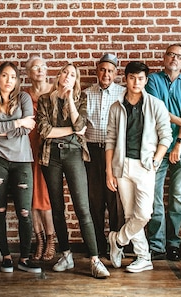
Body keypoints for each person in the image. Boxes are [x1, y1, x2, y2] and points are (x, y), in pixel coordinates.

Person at [37, 63, 111, 279]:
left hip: (74, 154)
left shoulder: (81, 99)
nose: (68, 76)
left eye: (72, 75)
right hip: (50, 157)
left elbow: (81, 125)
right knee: (57, 209)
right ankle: (66, 254)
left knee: (83, 208)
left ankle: (95, 260)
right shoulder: (44, 99)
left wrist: (69, 98)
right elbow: (44, 131)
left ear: (76, 79)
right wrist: (72, 130)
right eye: (65, 73)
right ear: (58, 75)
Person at [106, 61, 172, 273]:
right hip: (122, 166)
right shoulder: (117, 106)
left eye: (141, 78)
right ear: (125, 79)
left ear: (146, 80)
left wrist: (155, 160)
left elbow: (166, 136)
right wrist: (109, 171)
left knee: (143, 214)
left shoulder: (156, 105)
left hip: (145, 166)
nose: (136, 82)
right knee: (129, 214)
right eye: (132, 78)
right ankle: (144, 257)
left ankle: (117, 239)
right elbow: (110, 140)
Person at [0, 61, 41, 274]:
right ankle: (6, 257)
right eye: (5, 76)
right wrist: (17, 123)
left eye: (13, 77)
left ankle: (24, 258)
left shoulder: (24, 98)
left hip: (22, 159)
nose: (9, 80)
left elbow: (29, 128)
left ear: (17, 80)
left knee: (24, 212)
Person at [144, 44, 181, 262]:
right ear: (164, 58)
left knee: (177, 197)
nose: (174, 59)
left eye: (179, 57)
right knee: (154, 197)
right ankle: (156, 245)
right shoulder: (153, 80)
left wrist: (180, 140)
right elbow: (157, 109)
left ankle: (173, 244)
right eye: (171, 54)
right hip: (157, 147)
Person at [84, 53, 125, 259]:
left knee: (116, 201)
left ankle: (116, 244)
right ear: (97, 71)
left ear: (116, 73)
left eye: (110, 70)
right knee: (94, 200)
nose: (106, 74)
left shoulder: (124, 93)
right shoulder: (86, 93)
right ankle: (98, 245)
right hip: (92, 153)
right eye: (102, 69)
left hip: (115, 152)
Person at [24, 56, 55, 261]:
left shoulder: (55, 90)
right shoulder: (24, 94)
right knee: (30, 196)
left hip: (49, 147)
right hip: (27, 147)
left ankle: (51, 239)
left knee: (44, 195)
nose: (40, 70)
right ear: (29, 73)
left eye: (43, 66)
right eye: (35, 67)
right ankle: (39, 239)